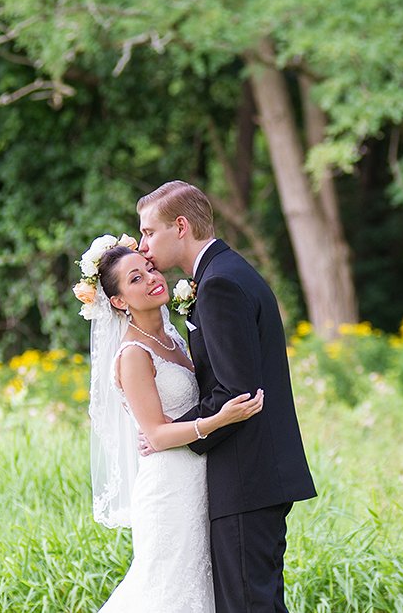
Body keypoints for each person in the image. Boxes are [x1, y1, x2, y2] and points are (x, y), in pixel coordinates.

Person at [136, 181, 316, 613]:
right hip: (256, 474)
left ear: (180, 226)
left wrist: (177, 434)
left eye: (148, 232)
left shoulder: (219, 285)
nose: (143, 246)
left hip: (246, 474)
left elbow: (236, 392)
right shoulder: (228, 271)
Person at [74, 234, 264, 613]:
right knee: (167, 593)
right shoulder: (133, 353)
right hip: (168, 491)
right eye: (135, 279)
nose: (151, 278)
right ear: (118, 301)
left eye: (148, 268)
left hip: (201, 480)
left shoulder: (174, 335)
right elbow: (157, 433)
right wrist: (218, 419)